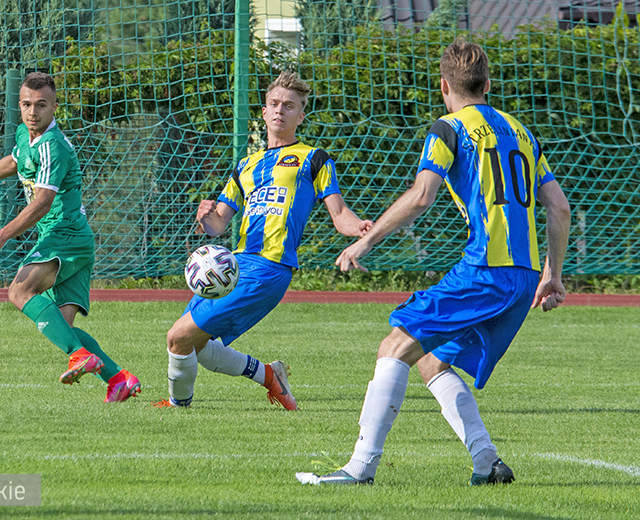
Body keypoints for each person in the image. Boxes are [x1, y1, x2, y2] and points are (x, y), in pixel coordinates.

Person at [296, 41, 571, 485]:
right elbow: (558, 209)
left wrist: (365, 243)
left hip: (485, 270)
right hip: (522, 279)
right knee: (431, 360)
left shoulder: (448, 128)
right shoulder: (522, 132)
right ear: (489, 84)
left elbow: (423, 195)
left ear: (444, 85)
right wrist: (552, 276)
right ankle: (487, 462)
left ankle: (359, 469)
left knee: (394, 347)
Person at [154, 70, 373, 410]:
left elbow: (339, 212)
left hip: (270, 267)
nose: (279, 111)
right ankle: (269, 375)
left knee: (178, 337)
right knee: (193, 346)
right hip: (235, 265)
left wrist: (359, 228)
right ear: (263, 111)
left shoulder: (314, 158)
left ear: (300, 115)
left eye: (289, 106)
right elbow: (217, 226)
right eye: (273, 103)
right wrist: (205, 215)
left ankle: (177, 407)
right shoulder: (245, 165)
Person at [0, 72, 140, 403]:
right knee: (63, 328)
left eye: (41, 105)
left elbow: (43, 202)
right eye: (26, 104)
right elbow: (17, 161)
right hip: (75, 237)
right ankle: (119, 379)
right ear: (20, 105)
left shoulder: (55, 147)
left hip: (64, 233)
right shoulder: (26, 136)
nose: (32, 112)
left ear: (54, 107)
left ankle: (81, 355)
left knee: (20, 291)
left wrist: (2, 235)